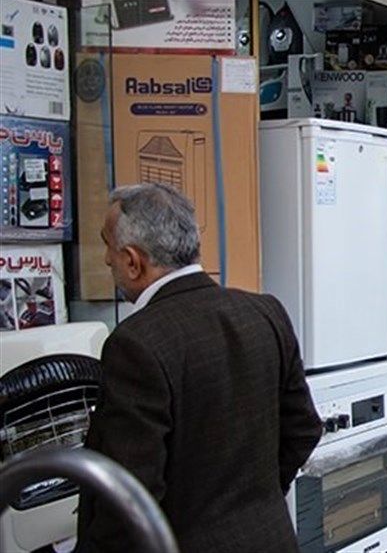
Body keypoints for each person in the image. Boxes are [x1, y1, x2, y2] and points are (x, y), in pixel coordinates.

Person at [78, 183, 322, 553]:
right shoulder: (265, 312)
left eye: (107, 246)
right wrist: (256, 501)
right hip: (271, 537)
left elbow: (129, 497)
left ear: (132, 260)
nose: (106, 260)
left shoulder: (135, 343)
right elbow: (304, 429)